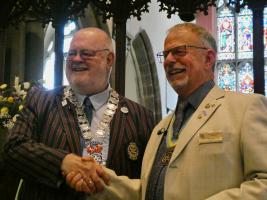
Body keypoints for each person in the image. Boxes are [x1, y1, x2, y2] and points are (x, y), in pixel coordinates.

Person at [69, 22, 267, 199]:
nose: (169, 60)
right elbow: (150, 191)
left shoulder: (245, 108)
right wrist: (98, 178)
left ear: (208, 59)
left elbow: (263, 183)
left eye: (179, 51)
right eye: (165, 54)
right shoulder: (162, 127)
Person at [3, 27, 154, 200]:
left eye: (86, 53)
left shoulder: (140, 116)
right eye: (71, 53)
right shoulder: (41, 101)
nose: (76, 59)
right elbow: (13, 148)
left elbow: (150, 179)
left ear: (109, 59)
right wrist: (64, 162)